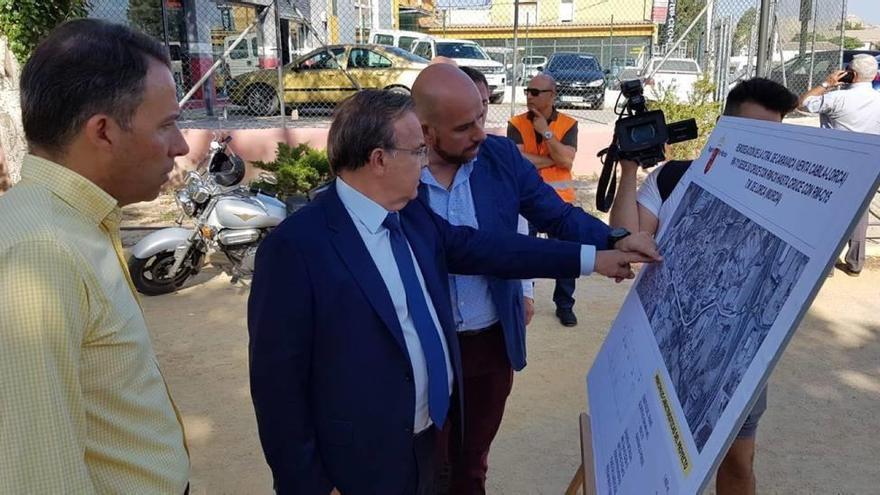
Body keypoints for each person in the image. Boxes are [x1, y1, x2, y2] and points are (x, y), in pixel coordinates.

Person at [248, 89, 653, 495]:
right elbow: (278, 391)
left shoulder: (411, 216)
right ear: (379, 160)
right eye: (417, 152)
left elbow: (492, 249)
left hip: (427, 440)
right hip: (360, 463)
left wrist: (597, 255)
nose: (425, 164)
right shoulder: (296, 249)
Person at [413, 64, 660, 494]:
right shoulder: (399, 174)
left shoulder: (500, 158)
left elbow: (557, 216)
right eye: (463, 126)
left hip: (489, 343)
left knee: (472, 466)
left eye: (482, 115)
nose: (479, 132)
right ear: (425, 131)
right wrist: (591, 259)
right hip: (422, 346)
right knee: (425, 468)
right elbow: (488, 251)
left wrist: (615, 238)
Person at [0, 19, 190, 493]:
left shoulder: (73, 223)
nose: (181, 145)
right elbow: (38, 473)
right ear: (103, 132)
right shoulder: (40, 253)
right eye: (167, 125)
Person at [610, 77, 800, 495]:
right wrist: (626, 167)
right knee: (654, 447)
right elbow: (627, 240)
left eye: (773, 135)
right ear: (725, 129)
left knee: (736, 456)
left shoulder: (790, 198)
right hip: (661, 339)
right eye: (751, 132)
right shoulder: (672, 178)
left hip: (738, 353)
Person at [507, 73, 582, 327]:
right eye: (528, 91)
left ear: (552, 95)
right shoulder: (515, 123)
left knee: (565, 253)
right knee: (526, 252)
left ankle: (565, 305)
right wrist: (554, 157)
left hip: (559, 201)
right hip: (525, 199)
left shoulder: (568, 124)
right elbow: (518, 160)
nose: (529, 96)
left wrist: (546, 133)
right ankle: (526, 300)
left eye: (535, 92)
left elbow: (567, 161)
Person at [799, 54, 880, 276]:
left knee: (829, 213)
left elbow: (802, 103)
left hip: (835, 163)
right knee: (860, 213)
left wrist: (826, 83)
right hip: (868, 164)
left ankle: (827, 264)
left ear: (850, 74)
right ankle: (855, 263)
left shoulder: (836, 99)